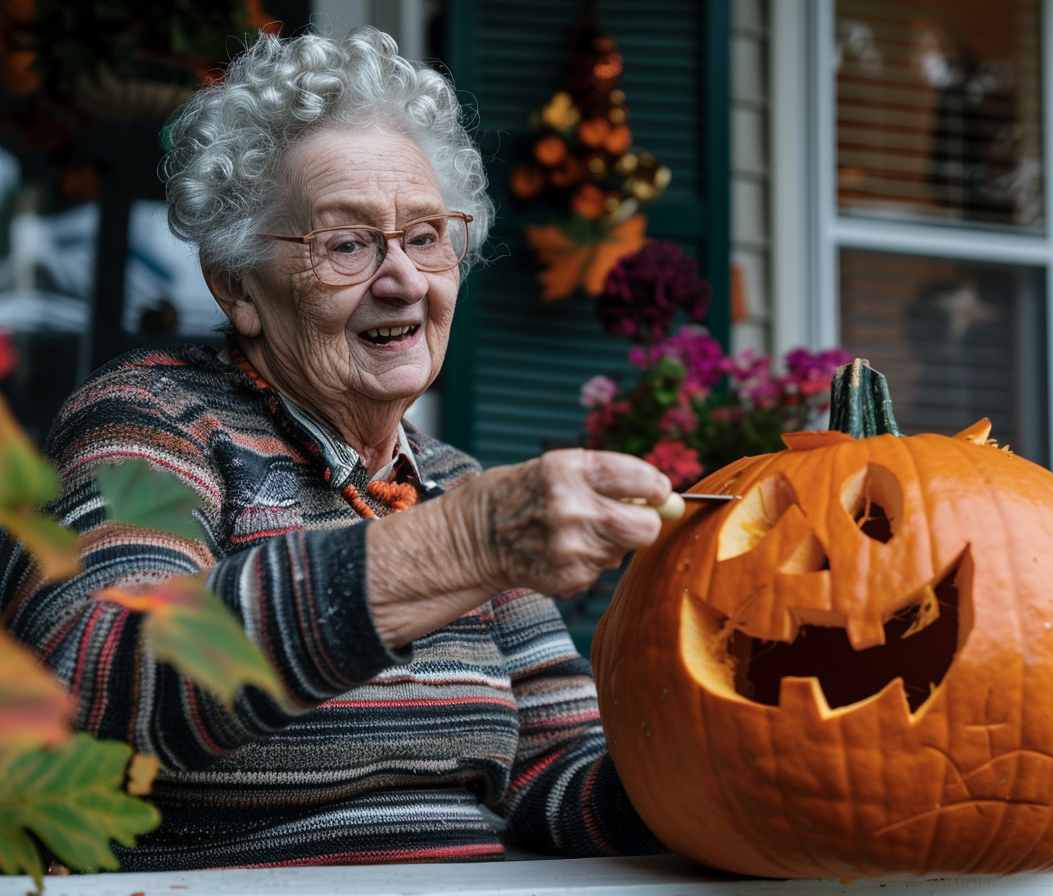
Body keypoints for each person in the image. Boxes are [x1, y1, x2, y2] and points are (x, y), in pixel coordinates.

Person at [0, 27, 672, 870]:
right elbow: (90, 680)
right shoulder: (154, 421)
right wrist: (466, 543)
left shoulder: (457, 482)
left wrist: (725, 776)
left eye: (426, 236)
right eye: (348, 244)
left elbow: (556, 781)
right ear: (237, 285)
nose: (403, 280)